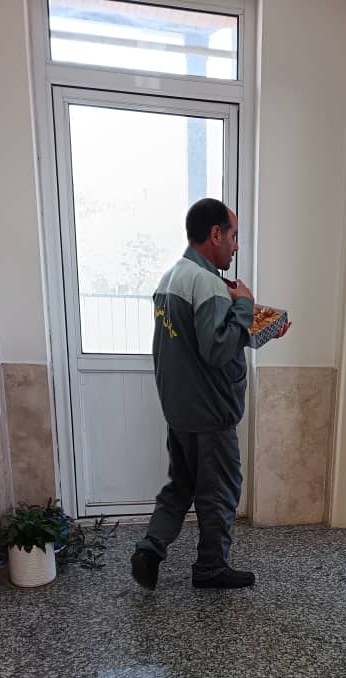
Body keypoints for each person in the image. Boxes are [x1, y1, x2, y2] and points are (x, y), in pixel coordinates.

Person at [131, 198, 289, 591]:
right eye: (234, 236)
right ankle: (211, 567)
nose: (236, 246)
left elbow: (194, 343)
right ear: (215, 234)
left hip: (181, 410)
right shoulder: (208, 284)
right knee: (220, 491)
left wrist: (254, 325)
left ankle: (150, 548)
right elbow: (218, 351)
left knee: (181, 485)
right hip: (211, 412)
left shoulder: (172, 277)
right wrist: (246, 304)